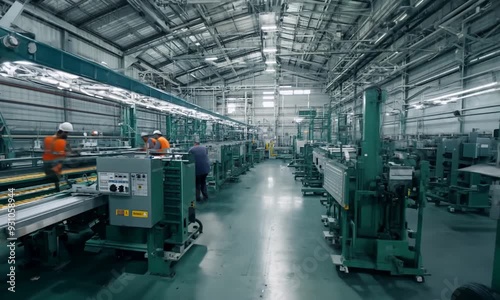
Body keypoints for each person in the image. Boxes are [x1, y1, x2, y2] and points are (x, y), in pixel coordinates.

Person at [42, 122, 73, 192]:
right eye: (67, 133)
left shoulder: (47, 139)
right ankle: (57, 190)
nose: (68, 135)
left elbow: (44, 150)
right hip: (56, 168)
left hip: (47, 166)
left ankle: (55, 189)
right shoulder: (63, 142)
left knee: (54, 182)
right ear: (63, 132)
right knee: (57, 182)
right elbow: (69, 153)